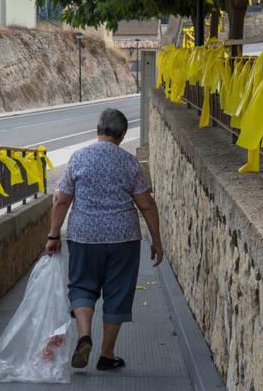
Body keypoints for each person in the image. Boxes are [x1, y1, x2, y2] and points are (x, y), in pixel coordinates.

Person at [45, 108, 164, 371]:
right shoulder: (129, 162)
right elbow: (146, 204)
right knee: (118, 292)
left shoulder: (78, 158)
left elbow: (61, 200)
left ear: (97, 131)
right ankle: (107, 354)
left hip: (84, 236)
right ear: (121, 136)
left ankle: (85, 335)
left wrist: (54, 235)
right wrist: (156, 239)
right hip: (123, 238)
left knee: (82, 288)